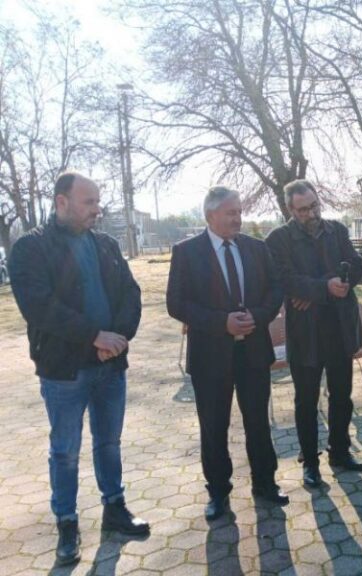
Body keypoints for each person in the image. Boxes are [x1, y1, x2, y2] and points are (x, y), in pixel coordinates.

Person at [8, 172, 148, 567]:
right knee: (65, 451)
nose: (96, 209)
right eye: (89, 202)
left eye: (97, 201)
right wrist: (94, 337)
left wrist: (117, 338)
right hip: (64, 371)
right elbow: (40, 307)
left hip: (110, 366)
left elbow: (131, 293)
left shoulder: (106, 244)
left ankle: (115, 508)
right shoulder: (31, 248)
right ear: (61, 202)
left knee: (109, 442)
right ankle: (67, 524)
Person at [166, 186, 288, 520]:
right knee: (214, 426)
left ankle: (265, 483)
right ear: (211, 215)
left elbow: (275, 289)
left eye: (239, 212)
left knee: (258, 422)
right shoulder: (187, 252)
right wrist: (222, 323)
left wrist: (258, 316)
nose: (238, 218)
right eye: (231, 213)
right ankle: (218, 492)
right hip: (210, 357)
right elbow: (176, 303)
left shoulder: (256, 248)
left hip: (253, 352)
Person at [266, 179, 362, 489]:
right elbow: (284, 280)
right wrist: (325, 287)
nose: (311, 214)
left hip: (339, 327)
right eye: (303, 210)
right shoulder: (278, 239)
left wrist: (314, 290)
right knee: (306, 401)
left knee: (341, 396)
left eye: (314, 206)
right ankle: (310, 462)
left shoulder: (337, 230)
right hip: (305, 333)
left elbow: (356, 267)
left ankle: (340, 452)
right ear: (290, 209)